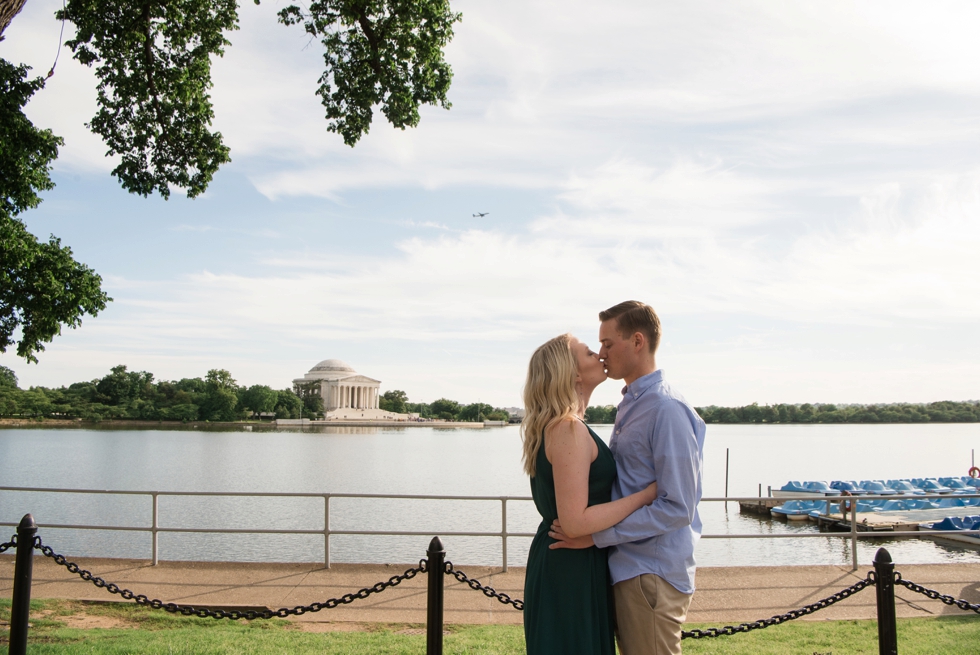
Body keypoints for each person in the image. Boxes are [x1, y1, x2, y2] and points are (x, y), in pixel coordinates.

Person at [550, 301, 706, 655]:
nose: (602, 353)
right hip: (628, 569)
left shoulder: (666, 409)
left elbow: (677, 506)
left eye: (608, 343)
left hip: (651, 573)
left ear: (637, 341)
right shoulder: (631, 404)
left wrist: (599, 536)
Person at [522, 333, 658, 655]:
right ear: (573, 373)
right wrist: (645, 495)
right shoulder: (568, 428)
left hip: (572, 558)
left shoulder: (560, 426)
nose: (599, 354)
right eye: (588, 352)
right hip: (569, 562)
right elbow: (574, 522)